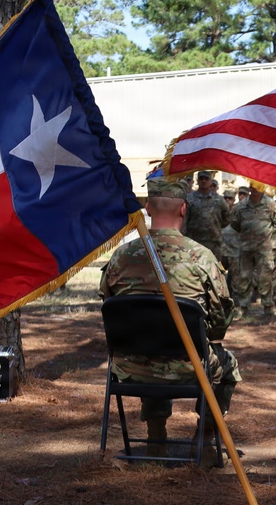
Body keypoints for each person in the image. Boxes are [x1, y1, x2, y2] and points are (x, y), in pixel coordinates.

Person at [99, 179, 240, 465]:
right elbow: (221, 321)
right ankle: (204, 440)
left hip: (131, 367)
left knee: (149, 341)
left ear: (148, 208)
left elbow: (108, 305)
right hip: (189, 366)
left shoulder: (120, 257)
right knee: (227, 365)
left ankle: (156, 441)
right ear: (184, 209)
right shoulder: (202, 257)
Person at [229, 186, 276, 317]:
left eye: (257, 188)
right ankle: (244, 307)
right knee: (244, 277)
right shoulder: (241, 206)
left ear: (262, 190)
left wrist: (266, 235)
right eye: (252, 188)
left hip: (264, 248)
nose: (254, 190)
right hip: (246, 248)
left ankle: (267, 306)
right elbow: (235, 224)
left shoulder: (271, 205)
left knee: (265, 277)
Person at [184, 170, 230, 261]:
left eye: (206, 178)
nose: (203, 181)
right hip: (194, 243)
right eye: (201, 178)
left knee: (214, 272)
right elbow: (184, 219)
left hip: (214, 244)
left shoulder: (219, 200)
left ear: (211, 181)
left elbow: (227, 219)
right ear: (197, 181)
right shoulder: (189, 199)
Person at [220, 188, 241, 295]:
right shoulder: (218, 210)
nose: (228, 200)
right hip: (221, 249)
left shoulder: (239, 212)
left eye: (230, 198)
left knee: (235, 277)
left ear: (234, 199)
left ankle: (236, 299)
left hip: (235, 249)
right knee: (219, 275)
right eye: (226, 198)